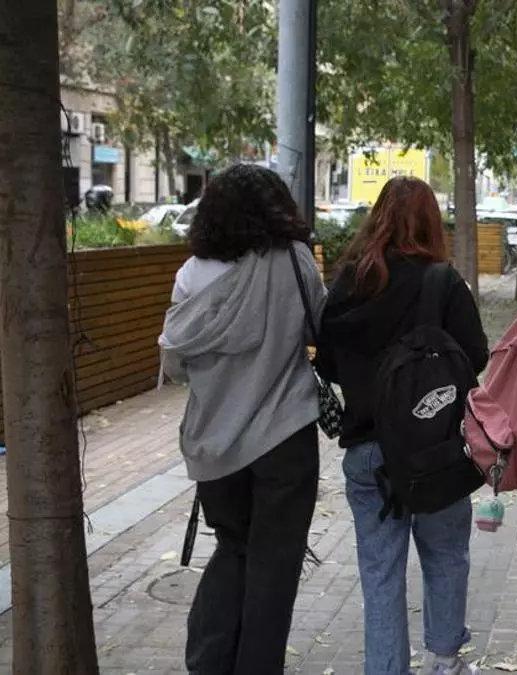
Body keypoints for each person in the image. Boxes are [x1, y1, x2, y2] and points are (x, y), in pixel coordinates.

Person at [316, 176, 489, 675]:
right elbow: (475, 356)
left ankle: (386, 667)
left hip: (368, 451)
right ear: (431, 222)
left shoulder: (349, 283)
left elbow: (325, 360)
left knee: (379, 572)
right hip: (436, 451)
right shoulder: (443, 283)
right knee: (446, 555)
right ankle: (445, 660)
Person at [159, 164, 324, 674]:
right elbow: (320, 328)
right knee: (275, 566)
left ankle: (209, 662)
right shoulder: (296, 261)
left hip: (215, 444)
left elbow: (175, 365)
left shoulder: (192, 274)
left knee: (233, 548)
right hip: (285, 437)